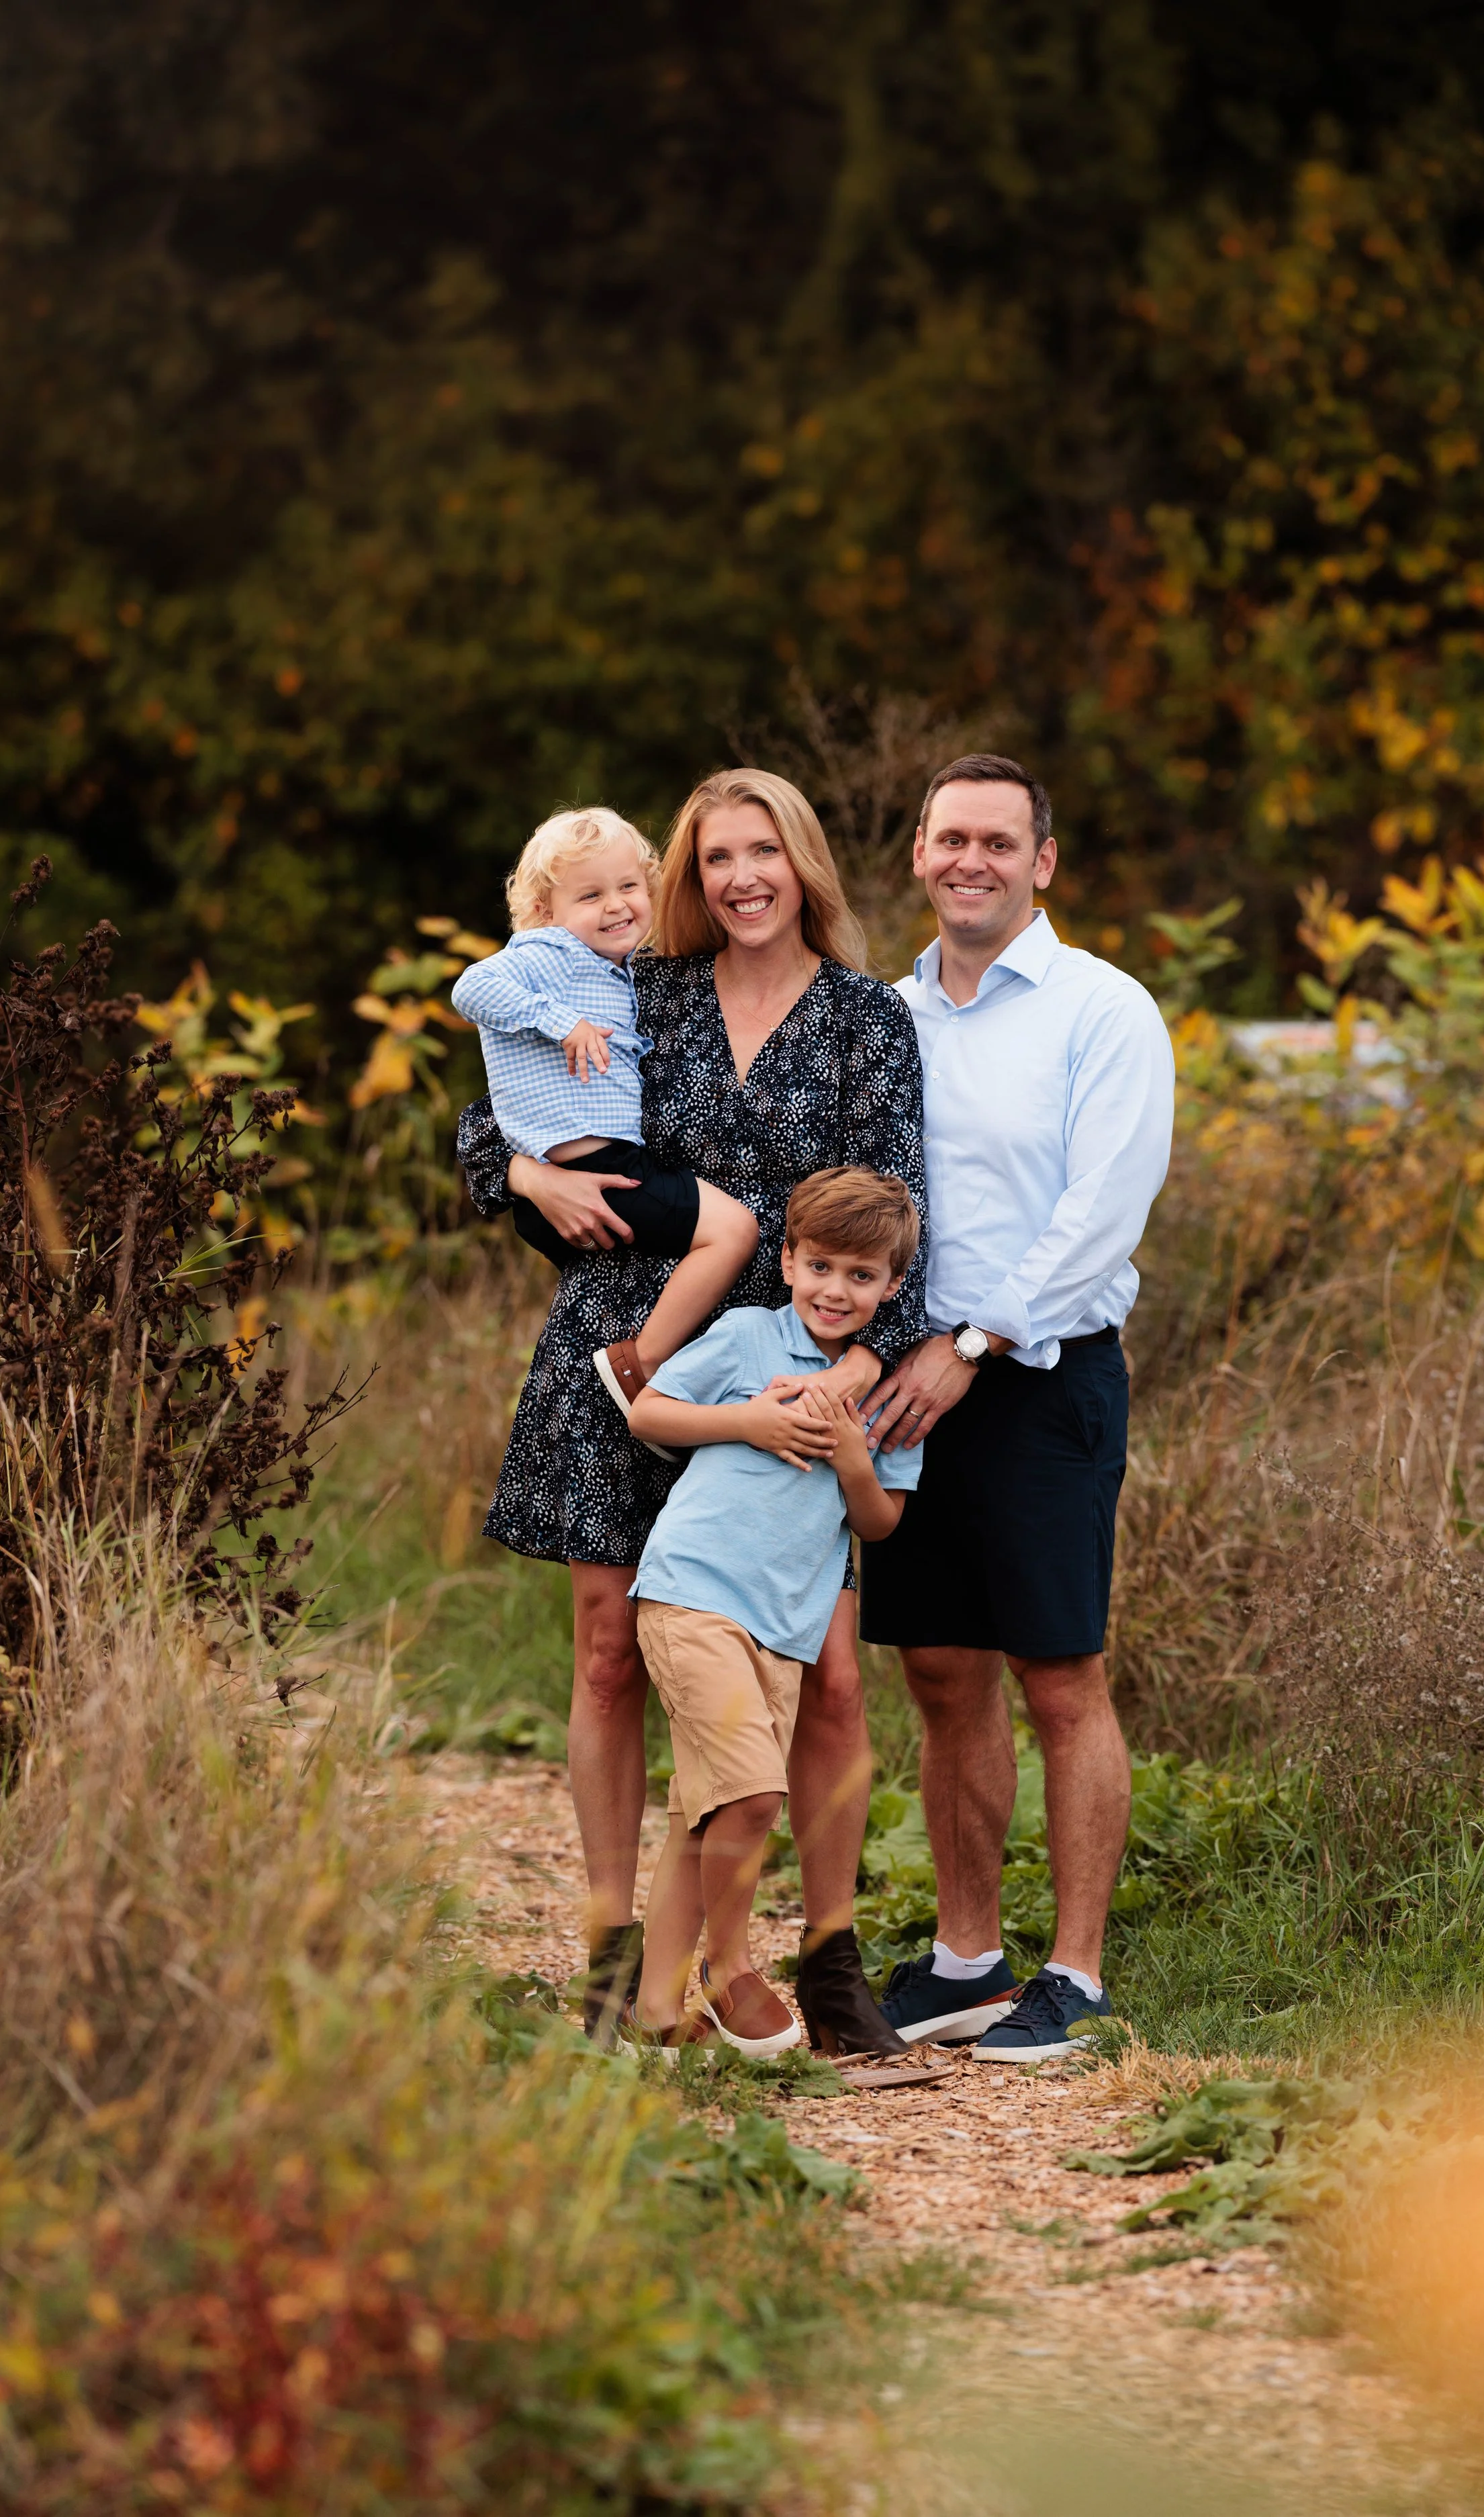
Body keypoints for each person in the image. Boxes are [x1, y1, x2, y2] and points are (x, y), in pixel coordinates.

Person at [455, 769, 927, 2064]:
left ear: (804, 863)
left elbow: (902, 1211)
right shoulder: (641, 983)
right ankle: (618, 1952)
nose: (740, 879)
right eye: (716, 856)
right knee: (611, 1648)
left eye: (762, 852)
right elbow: (478, 1106)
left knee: (824, 1672)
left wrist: (854, 1378)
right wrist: (521, 1168)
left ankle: (823, 1957)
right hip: (623, 1353)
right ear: (690, 873)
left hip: (795, 1370)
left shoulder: (865, 1022)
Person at [858, 753, 1175, 2061]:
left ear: (1041, 861)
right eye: (949, 838)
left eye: (997, 839)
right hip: (905, 1385)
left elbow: (1100, 1211)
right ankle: (965, 1959)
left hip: (1040, 1377)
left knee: (1058, 1671)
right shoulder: (885, 1012)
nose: (968, 860)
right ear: (920, 855)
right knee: (938, 1668)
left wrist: (973, 1341)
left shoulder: (1102, 1009)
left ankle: (1077, 1976)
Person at [624, 1169, 923, 2054]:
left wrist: (851, 1458)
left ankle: (652, 2025)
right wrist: (748, 1424)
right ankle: (727, 1968)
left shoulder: (882, 1394)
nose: (837, 1290)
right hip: (693, 1592)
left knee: (706, 1814)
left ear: (892, 1287)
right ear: (788, 1261)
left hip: (786, 1628)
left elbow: (880, 1522)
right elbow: (650, 1410)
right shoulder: (750, 1338)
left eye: (862, 1276)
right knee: (753, 1796)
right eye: (821, 1266)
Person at [451, 807, 758, 1447]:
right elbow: (471, 988)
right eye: (590, 894)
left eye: (628, 887)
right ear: (544, 909)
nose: (616, 906)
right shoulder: (550, 954)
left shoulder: (622, 971)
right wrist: (557, 1021)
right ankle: (638, 1370)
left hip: (592, 1177)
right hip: (591, 1172)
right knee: (734, 1231)